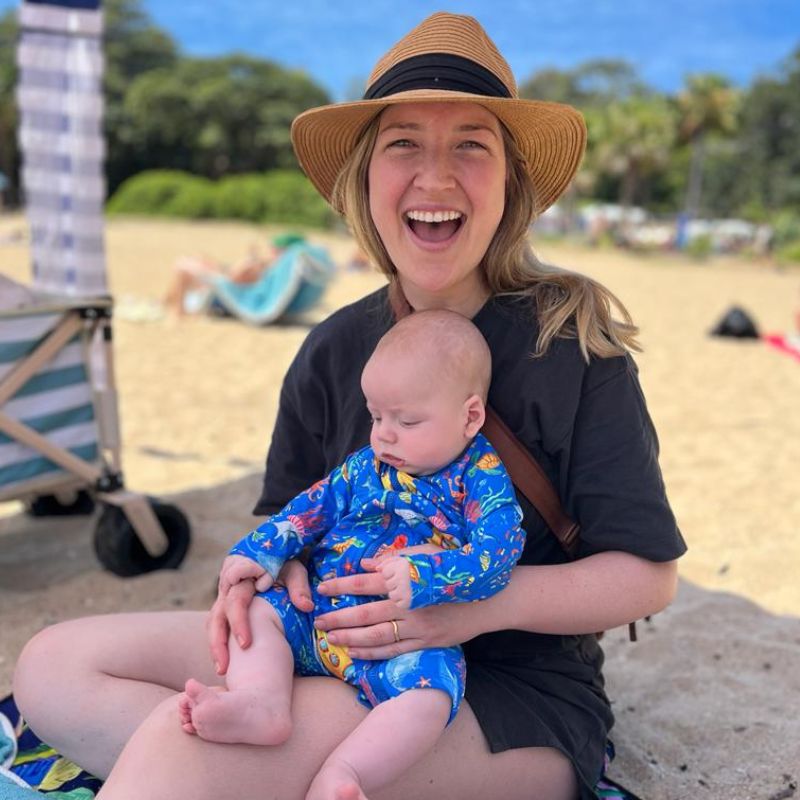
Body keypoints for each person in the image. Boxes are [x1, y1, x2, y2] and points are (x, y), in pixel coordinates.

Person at [13, 12, 686, 800]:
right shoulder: (334, 349)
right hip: (326, 643)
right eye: (403, 143)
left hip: (499, 691)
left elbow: (647, 577)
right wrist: (271, 572)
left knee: (183, 741)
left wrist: (462, 613)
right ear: (365, 180)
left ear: (512, 183)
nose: (435, 176)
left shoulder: (572, 348)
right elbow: (288, 517)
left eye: (472, 144)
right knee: (52, 665)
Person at [179, 309, 524, 799]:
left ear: (470, 416)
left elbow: (497, 556)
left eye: (407, 420)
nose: (383, 434)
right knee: (259, 612)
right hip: (314, 619)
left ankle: (346, 773)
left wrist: (425, 573)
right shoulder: (367, 466)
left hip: (401, 644)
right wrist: (262, 550)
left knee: (432, 695)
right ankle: (261, 705)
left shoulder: (480, 479)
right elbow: (312, 507)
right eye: (376, 416)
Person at [163, 231, 306, 316]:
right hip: (228, 284)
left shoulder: (265, 267)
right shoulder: (277, 268)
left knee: (183, 268)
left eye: (274, 248)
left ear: (282, 250)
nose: (271, 251)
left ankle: (175, 311)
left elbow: (234, 279)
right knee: (196, 259)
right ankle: (165, 303)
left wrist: (250, 262)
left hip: (228, 288)